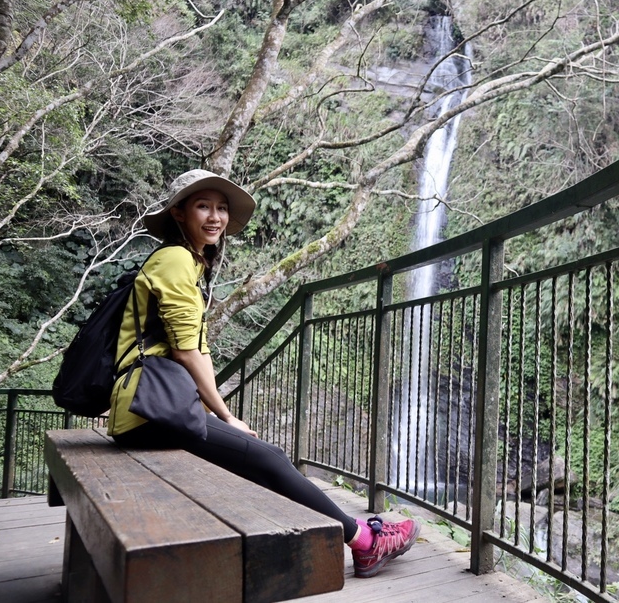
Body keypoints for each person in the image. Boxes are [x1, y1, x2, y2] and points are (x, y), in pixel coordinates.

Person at [107, 168, 419, 578]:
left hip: (152, 408)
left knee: (258, 458)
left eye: (221, 208)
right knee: (267, 457)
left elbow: (194, 349)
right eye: (204, 206)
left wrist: (214, 409)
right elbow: (186, 352)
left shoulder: (188, 263)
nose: (215, 216)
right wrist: (225, 415)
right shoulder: (176, 260)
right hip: (146, 412)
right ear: (180, 213)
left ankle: (348, 533)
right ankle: (364, 541)